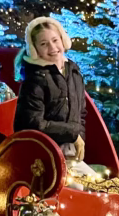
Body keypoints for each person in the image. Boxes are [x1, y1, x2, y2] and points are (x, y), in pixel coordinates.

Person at [14, 17, 99, 179]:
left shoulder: (73, 73)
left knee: (99, 190)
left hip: (69, 157)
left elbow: (81, 114)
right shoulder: (35, 80)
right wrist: (73, 134)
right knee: (79, 194)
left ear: (62, 39)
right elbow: (32, 124)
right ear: (35, 49)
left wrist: (79, 141)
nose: (52, 47)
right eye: (44, 44)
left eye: (55, 40)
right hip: (43, 159)